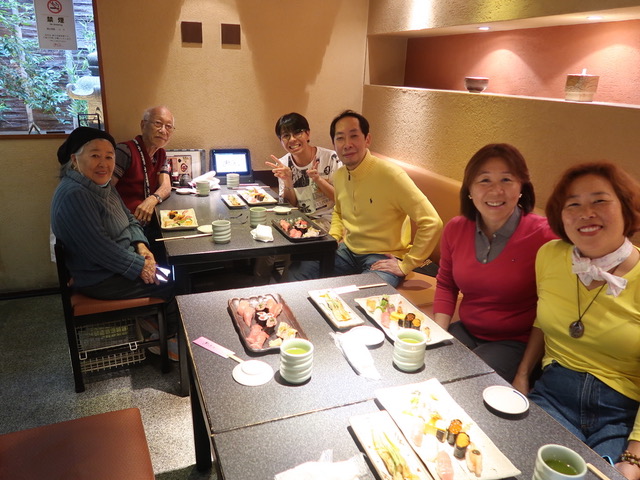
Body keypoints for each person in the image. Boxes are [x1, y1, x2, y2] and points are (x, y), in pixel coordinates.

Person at [512, 162, 640, 478]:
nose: (586, 213)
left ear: (626, 209)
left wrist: (634, 457)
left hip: (619, 412)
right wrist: (522, 374)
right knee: (516, 464)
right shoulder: (550, 255)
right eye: (573, 205)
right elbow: (543, 319)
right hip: (554, 392)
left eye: (600, 200)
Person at [433, 144, 556, 382]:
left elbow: (549, 311)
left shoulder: (544, 236)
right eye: (485, 180)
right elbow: (446, 284)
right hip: (467, 329)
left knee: (463, 382)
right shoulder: (455, 228)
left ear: (522, 187)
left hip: (514, 342)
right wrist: (438, 335)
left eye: (506, 180)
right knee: (426, 364)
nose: (496, 191)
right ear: (469, 189)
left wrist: (523, 373)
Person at [51, 127, 177, 359]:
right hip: (100, 277)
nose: (104, 163)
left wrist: (142, 247)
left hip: (118, 265)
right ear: (75, 160)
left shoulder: (102, 185)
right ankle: (165, 341)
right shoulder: (75, 194)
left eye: (109, 157)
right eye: (95, 155)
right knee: (175, 282)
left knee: (170, 268)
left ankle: (153, 324)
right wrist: (141, 266)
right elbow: (100, 249)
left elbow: (129, 218)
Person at [287, 110, 443, 287]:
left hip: (383, 257)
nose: (347, 144)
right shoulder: (340, 175)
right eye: (340, 138)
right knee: (299, 271)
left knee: (362, 295)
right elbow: (339, 211)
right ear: (334, 144)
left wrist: (407, 264)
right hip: (347, 251)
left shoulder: (391, 175)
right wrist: (333, 238)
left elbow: (431, 222)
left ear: (367, 139)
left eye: (354, 136)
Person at [265, 112, 341, 230]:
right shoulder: (283, 164)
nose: (292, 139)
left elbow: (341, 200)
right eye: (286, 136)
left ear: (307, 134)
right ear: (280, 140)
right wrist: (288, 181)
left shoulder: (331, 158)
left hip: (330, 221)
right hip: (300, 221)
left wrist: (318, 179)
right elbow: (290, 205)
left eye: (297, 133)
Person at [112, 106, 175, 227]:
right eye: (158, 123)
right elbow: (104, 191)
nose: (163, 131)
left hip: (149, 221)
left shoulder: (160, 153)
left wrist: (153, 199)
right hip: (125, 223)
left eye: (168, 126)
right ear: (143, 125)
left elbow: (166, 186)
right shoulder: (125, 151)